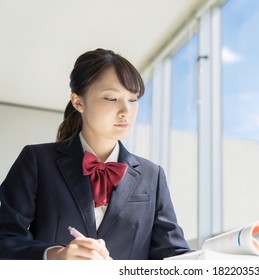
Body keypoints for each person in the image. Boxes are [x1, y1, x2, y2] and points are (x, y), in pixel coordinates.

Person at [0, 48, 190, 260]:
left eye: (133, 99)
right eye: (111, 98)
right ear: (78, 102)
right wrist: (55, 256)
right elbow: (5, 238)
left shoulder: (151, 175)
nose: (126, 111)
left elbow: (174, 255)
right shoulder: (36, 161)